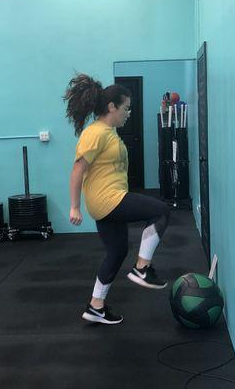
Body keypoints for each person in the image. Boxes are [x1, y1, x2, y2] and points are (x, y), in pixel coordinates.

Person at [64, 73, 170, 325]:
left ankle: (96, 306)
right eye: (126, 108)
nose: (128, 113)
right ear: (112, 107)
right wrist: (74, 206)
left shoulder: (108, 132)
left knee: (117, 251)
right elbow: (78, 169)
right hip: (108, 199)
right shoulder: (96, 133)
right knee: (161, 210)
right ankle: (142, 268)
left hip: (108, 201)